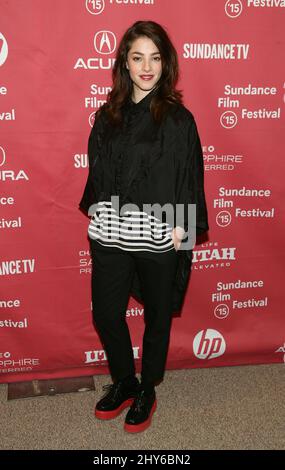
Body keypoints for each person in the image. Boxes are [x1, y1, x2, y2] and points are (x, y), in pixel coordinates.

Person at [79, 20, 209, 433]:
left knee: (157, 316)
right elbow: (97, 170)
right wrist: (100, 211)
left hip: (159, 237)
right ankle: (125, 381)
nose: (146, 67)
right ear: (125, 63)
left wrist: (183, 232)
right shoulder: (107, 115)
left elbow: (191, 176)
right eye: (138, 58)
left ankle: (147, 389)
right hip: (111, 234)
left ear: (165, 63)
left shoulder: (179, 120)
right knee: (106, 313)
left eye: (155, 58)